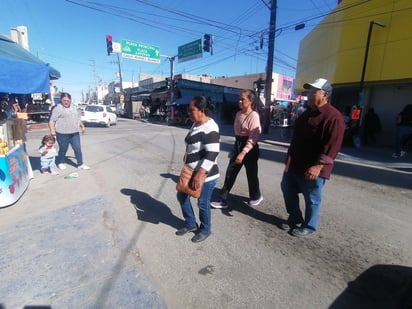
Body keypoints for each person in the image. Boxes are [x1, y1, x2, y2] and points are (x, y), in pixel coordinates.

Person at [280, 78, 345, 237]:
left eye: (313, 91)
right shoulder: (307, 113)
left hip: (313, 167)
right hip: (295, 164)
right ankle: (294, 217)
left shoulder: (333, 117)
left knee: (312, 198)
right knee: (287, 188)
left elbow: (333, 145)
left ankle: (309, 226)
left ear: (325, 95)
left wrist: (318, 166)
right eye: (309, 91)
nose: (308, 95)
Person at [175, 96, 220, 243]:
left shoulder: (210, 127)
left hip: (206, 175)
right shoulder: (196, 124)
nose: (189, 113)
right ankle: (190, 223)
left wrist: (200, 175)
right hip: (190, 171)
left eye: (191, 110)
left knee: (202, 202)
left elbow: (212, 153)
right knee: (182, 196)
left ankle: (205, 229)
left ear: (202, 110)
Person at [210, 89, 263, 209]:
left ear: (250, 101)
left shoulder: (254, 115)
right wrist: (236, 149)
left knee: (252, 175)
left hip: (250, 148)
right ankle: (222, 199)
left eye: (243, 99)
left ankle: (256, 196)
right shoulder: (239, 114)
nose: (239, 101)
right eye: (239, 98)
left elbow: (253, 138)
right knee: (231, 172)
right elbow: (237, 133)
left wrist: (243, 152)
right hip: (238, 144)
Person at [48, 92, 90, 170]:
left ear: (70, 100)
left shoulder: (74, 107)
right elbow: (51, 121)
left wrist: (82, 126)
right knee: (63, 148)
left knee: (77, 148)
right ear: (61, 100)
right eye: (64, 100)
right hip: (62, 133)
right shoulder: (57, 108)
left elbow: (77, 119)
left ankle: (80, 164)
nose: (66, 102)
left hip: (74, 133)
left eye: (68, 100)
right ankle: (60, 162)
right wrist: (52, 131)